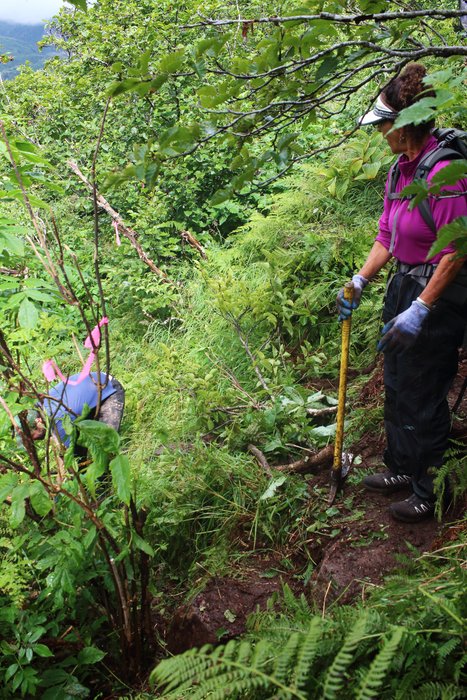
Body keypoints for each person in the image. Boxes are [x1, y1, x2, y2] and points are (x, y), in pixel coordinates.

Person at [337, 63, 467, 523]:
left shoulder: (444, 170)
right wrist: (360, 279)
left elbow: (456, 250)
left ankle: (429, 490)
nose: (381, 134)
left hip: (436, 296)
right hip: (404, 286)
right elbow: (387, 236)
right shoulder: (399, 170)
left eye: (385, 125)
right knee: (395, 379)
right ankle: (401, 466)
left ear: (407, 123)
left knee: (423, 390)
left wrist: (421, 307)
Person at [29, 372, 125, 449]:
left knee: (107, 443)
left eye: (32, 435)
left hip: (108, 388)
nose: (34, 439)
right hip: (93, 386)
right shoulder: (40, 403)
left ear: (38, 421)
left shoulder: (59, 422)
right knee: (80, 442)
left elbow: (70, 456)